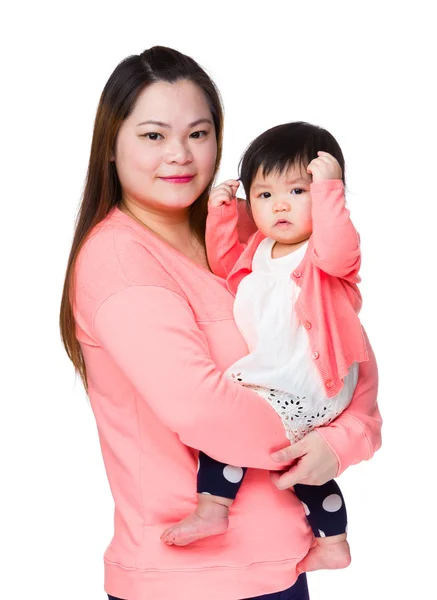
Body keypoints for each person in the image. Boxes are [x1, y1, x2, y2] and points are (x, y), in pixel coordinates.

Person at [59, 46, 382, 600]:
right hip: (186, 581)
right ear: (110, 148)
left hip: (282, 565)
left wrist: (346, 439)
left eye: (199, 133)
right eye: (154, 135)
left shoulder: (246, 243)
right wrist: (322, 435)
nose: (180, 155)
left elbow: (341, 353)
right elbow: (201, 408)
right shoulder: (119, 261)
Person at [162, 121, 373, 574]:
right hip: (282, 378)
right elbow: (224, 265)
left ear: (325, 196)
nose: (279, 205)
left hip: (310, 375)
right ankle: (333, 541)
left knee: (230, 426)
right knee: (295, 461)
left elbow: (340, 248)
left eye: (299, 192)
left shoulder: (323, 255)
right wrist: (221, 215)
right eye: (263, 195)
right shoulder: (260, 248)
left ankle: (214, 506)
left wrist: (329, 189)